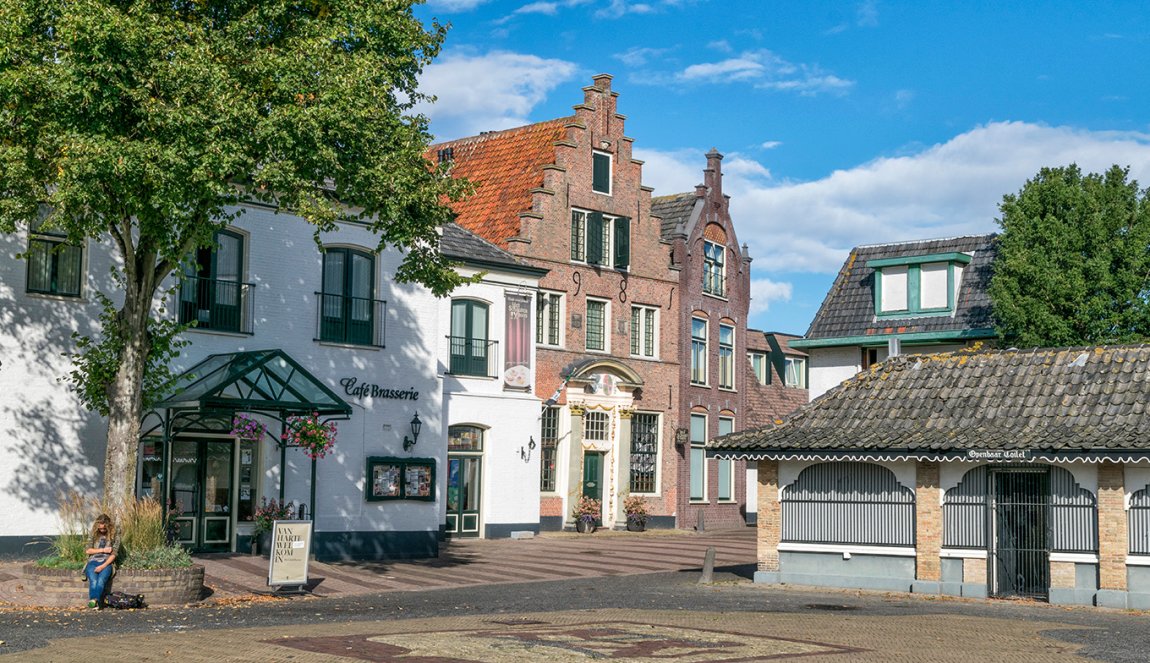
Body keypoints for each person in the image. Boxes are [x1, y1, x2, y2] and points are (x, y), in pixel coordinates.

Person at [83, 513, 119, 609]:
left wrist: (103, 566)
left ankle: (94, 601)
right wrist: (103, 550)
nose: (101, 530)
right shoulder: (94, 533)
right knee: (93, 581)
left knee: (101, 581)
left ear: (108, 526)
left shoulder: (115, 535)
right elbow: (88, 550)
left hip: (107, 562)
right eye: (100, 528)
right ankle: (96, 602)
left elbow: (114, 554)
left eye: (104, 528)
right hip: (93, 561)